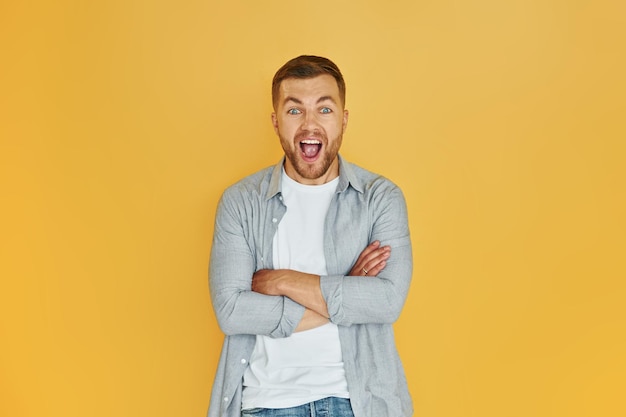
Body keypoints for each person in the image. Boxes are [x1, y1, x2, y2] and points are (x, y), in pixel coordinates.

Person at [208, 55, 413, 417]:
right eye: (294, 111)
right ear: (275, 122)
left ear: (344, 119)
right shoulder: (240, 203)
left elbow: (386, 301)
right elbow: (232, 311)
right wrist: (349, 289)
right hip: (266, 403)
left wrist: (285, 280)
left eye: (324, 109)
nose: (310, 125)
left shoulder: (380, 198)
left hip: (360, 403)